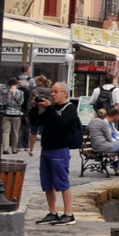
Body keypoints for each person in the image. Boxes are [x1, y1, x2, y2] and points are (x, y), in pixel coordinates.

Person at [30, 82, 82, 225]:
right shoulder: (50, 109)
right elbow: (35, 122)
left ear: (64, 93)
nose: (52, 94)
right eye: (51, 92)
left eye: (55, 91)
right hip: (46, 149)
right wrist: (35, 107)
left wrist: (49, 108)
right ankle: (52, 212)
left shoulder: (70, 108)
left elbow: (60, 123)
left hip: (60, 150)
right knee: (47, 183)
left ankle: (68, 214)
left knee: (62, 182)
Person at [26, 75, 52, 155]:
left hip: (35, 113)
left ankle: (31, 149)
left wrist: (27, 114)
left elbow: (29, 104)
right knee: (45, 133)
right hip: (46, 112)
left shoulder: (34, 91)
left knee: (33, 132)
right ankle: (42, 150)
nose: (35, 82)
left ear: (40, 82)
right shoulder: (50, 91)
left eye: (37, 81)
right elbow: (52, 102)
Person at [3, 76, 27, 154]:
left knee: (6, 132)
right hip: (16, 114)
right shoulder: (20, 92)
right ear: (16, 84)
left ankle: (5, 149)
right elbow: (21, 103)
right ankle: (14, 148)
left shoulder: (6, 93)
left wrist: (8, 99)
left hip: (6, 114)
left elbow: (3, 103)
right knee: (15, 132)